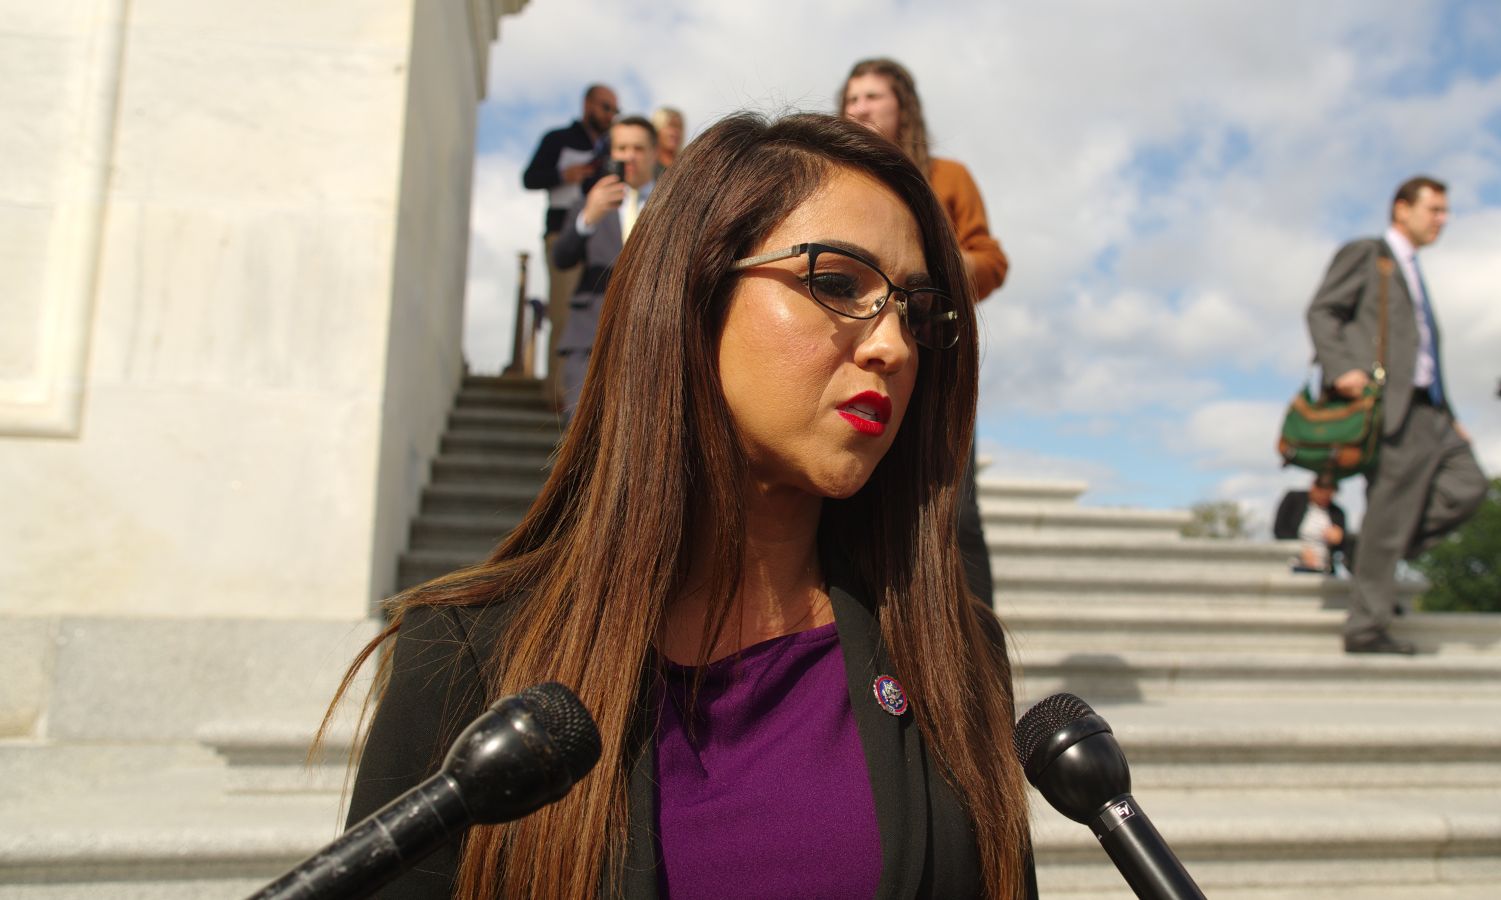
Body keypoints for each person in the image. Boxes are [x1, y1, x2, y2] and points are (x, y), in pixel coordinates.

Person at [327, 112, 1035, 899]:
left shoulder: (952, 655)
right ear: (694, 292)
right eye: (838, 284)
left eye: (916, 311)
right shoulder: (464, 657)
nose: (893, 347)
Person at [839, 57, 1007, 608]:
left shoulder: (947, 176)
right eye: (852, 98)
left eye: (872, 97)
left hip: (931, 358)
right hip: (851, 355)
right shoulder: (831, 178)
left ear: (902, 107)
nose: (859, 108)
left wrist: (937, 265)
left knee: (953, 512)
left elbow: (992, 259)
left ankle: (982, 669)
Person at [1306, 175, 1487, 655]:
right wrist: (1343, 367)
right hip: (1390, 408)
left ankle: (1366, 553)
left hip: (1431, 409)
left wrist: (1449, 411)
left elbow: (1423, 350)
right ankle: (1366, 626)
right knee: (1390, 512)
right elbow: (1323, 311)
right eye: (1434, 209)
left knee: (1469, 486)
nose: (1442, 220)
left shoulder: (1413, 269)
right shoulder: (1370, 254)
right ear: (1401, 209)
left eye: (1445, 212)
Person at [550, 115, 657, 417]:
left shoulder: (672, 206)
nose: (629, 156)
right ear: (611, 153)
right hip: (589, 338)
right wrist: (588, 218)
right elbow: (562, 258)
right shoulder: (589, 202)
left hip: (650, 339)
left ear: (652, 152)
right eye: (621, 148)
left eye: (637, 148)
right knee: (580, 441)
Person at [522, 84, 619, 402]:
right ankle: (557, 396)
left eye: (614, 110)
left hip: (602, 238)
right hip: (563, 233)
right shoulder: (558, 139)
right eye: (606, 107)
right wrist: (565, 174)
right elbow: (530, 178)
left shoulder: (612, 146)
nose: (610, 115)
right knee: (563, 314)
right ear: (588, 104)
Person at [1272, 474, 1354, 574]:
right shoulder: (1294, 499)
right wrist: (1300, 550)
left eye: (1329, 495)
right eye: (1322, 493)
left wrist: (1340, 538)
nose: (1324, 498)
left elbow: (1342, 549)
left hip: (1323, 569)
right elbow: (1279, 530)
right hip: (1292, 566)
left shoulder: (1337, 513)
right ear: (1313, 487)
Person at [651, 106, 684, 173]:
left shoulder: (685, 164)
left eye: (679, 127)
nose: (675, 132)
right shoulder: (647, 166)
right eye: (671, 125)